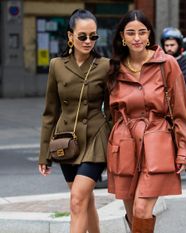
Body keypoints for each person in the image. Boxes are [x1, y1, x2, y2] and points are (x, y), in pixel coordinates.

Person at [107, 10, 186, 233]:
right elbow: (111, 115)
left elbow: (181, 110)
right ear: (122, 37)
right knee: (132, 212)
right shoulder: (113, 68)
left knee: (142, 209)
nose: (137, 38)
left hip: (157, 141)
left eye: (142, 32)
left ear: (149, 36)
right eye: (131, 32)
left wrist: (183, 149)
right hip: (124, 143)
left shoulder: (167, 64)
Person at [38, 9, 110, 233]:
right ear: (70, 36)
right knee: (84, 201)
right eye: (82, 36)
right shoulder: (56, 65)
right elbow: (51, 111)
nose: (88, 41)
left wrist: (109, 136)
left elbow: (112, 110)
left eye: (93, 36)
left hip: (95, 141)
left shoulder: (105, 66)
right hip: (66, 142)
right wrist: (44, 154)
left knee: (77, 200)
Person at [160, 27, 186, 101]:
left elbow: (181, 81)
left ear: (179, 45)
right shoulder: (160, 61)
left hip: (181, 102)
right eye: (166, 45)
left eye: (172, 45)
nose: (169, 48)